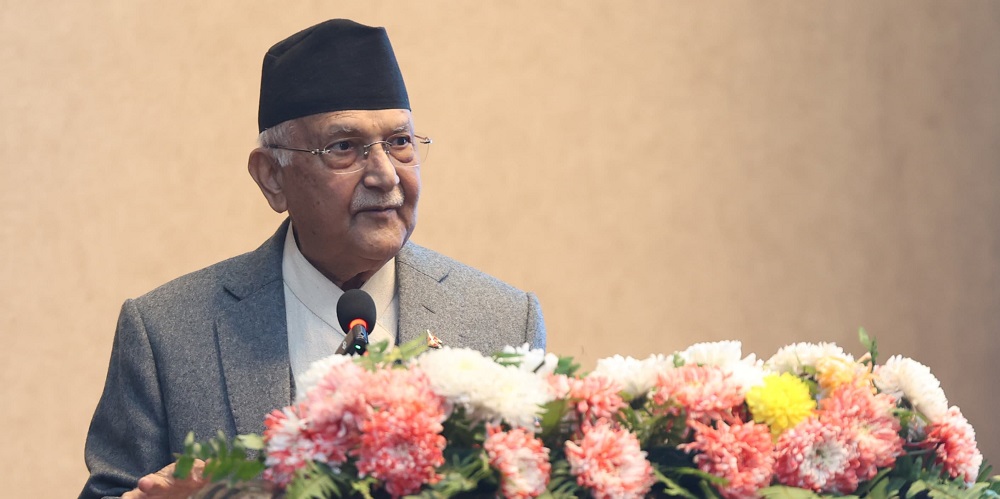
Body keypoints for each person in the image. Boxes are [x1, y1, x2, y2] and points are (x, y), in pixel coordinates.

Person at [80, 19, 545, 499]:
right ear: (272, 177)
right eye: (345, 148)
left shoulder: (505, 322)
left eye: (400, 142)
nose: (386, 175)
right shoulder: (167, 334)